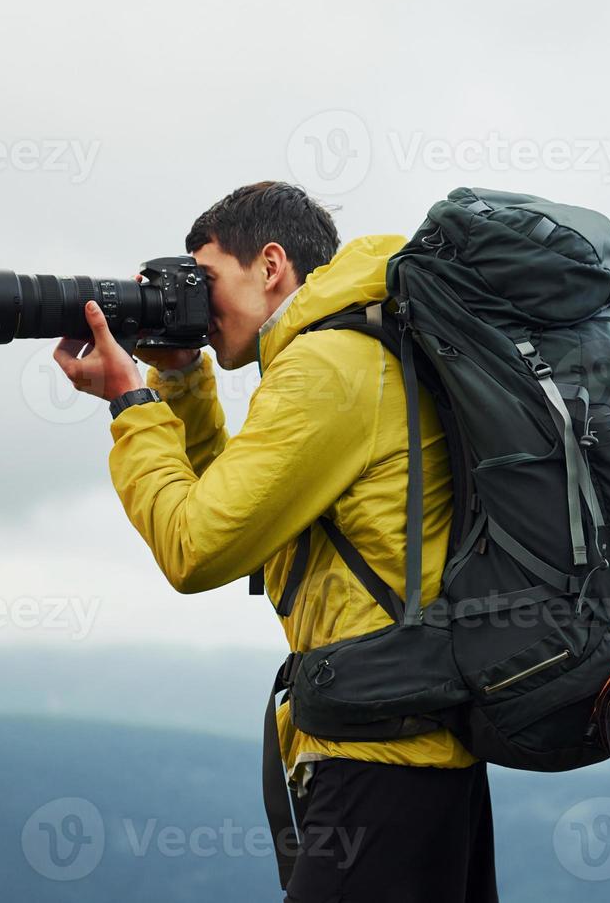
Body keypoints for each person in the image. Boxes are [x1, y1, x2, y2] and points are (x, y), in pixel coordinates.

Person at [53, 181, 499, 903]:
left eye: (206, 280)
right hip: (418, 745)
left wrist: (129, 404)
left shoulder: (325, 368)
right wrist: (181, 380)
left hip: (379, 758)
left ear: (269, 265)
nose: (196, 303)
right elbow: (240, 516)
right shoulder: (358, 347)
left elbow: (196, 548)